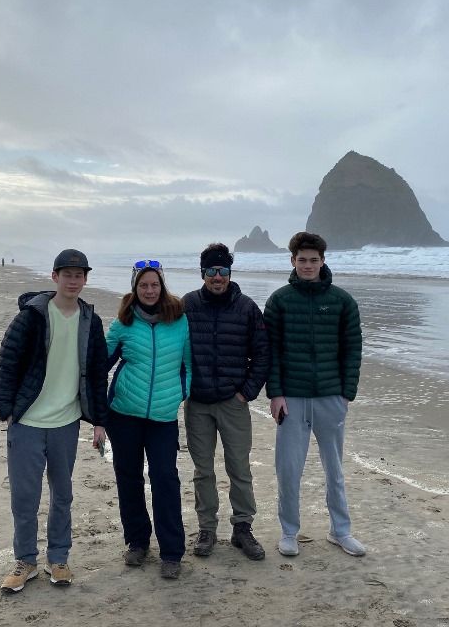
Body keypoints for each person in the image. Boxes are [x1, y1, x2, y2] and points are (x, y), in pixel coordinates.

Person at [0, 249, 108, 592]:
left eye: (79, 275)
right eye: (67, 274)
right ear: (55, 276)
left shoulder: (91, 320)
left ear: (85, 279)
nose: (73, 280)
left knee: (63, 494)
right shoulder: (32, 316)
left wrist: (99, 421)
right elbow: (8, 361)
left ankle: (58, 558)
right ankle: (26, 560)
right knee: (25, 497)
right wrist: (6, 410)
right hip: (27, 421)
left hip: (66, 421)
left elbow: (98, 373)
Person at [264, 231, 365, 558]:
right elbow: (271, 351)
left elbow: (353, 350)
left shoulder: (342, 301)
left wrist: (346, 394)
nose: (308, 265)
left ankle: (341, 531)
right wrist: (275, 394)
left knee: (334, 469)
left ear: (323, 261)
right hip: (290, 399)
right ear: (292, 261)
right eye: (302, 260)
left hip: (330, 397)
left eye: (314, 260)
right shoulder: (279, 300)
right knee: (289, 469)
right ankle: (289, 531)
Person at [182, 243, 270, 560]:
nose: (217, 277)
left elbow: (262, 354)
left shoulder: (246, 308)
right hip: (198, 404)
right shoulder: (187, 305)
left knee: (239, 468)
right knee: (203, 470)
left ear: (229, 273)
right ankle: (207, 529)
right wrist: (184, 387)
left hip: (234, 402)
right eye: (211, 271)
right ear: (202, 273)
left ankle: (242, 528)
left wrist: (246, 391)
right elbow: (172, 348)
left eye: (222, 271)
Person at [105, 260, 191, 580]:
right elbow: (101, 361)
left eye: (154, 284)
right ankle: (138, 542)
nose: (150, 290)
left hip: (163, 418)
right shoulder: (123, 322)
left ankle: (171, 552)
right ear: (135, 288)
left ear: (162, 286)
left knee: (165, 479)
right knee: (129, 479)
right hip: (124, 414)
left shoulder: (179, 320)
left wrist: (182, 392)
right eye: (143, 285)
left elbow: (189, 364)